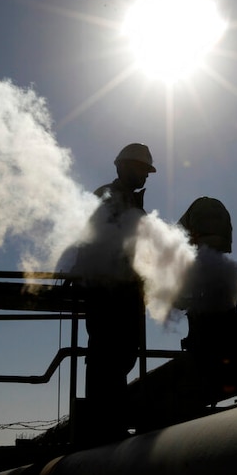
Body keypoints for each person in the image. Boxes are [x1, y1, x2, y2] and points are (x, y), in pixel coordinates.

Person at [72, 142, 156, 444]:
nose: (144, 176)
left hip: (127, 294)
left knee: (121, 357)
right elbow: (91, 239)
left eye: (147, 172)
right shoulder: (106, 197)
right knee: (105, 357)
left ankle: (112, 423)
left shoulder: (135, 205)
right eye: (139, 169)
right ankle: (103, 427)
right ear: (122, 167)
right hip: (107, 293)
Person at [175, 197, 237, 402]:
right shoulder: (214, 218)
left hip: (206, 344)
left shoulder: (196, 224)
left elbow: (180, 301)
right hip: (222, 330)